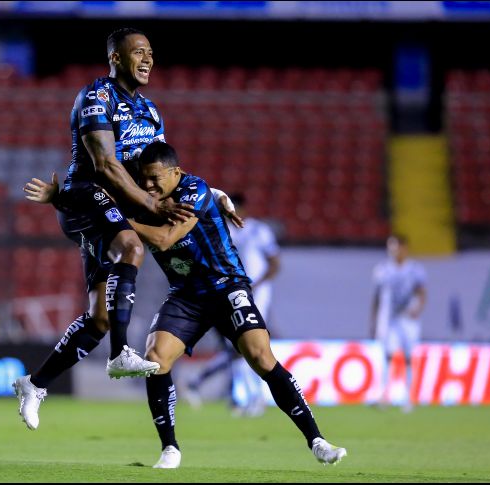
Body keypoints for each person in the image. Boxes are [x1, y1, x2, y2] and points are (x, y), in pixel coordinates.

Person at [11, 27, 200, 431]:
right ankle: (120, 354)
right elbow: (105, 166)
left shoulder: (151, 112)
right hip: (85, 196)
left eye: (151, 52)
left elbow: (160, 172)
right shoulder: (97, 96)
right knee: (131, 247)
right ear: (116, 57)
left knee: (97, 318)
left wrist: (207, 195)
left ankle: (34, 384)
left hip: (114, 211)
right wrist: (151, 204)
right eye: (138, 52)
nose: (148, 59)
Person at [127, 142, 346, 469]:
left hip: (226, 286)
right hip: (186, 294)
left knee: (260, 357)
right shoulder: (145, 197)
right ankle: (169, 449)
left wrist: (118, 221)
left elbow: (164, 239)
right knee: (156, 359)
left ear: (176, 172)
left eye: (155, 178)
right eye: (143, 179)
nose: (148, 185)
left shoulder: (194, 190)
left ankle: (317, 440)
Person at [185, 193, 281, 416]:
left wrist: (256, 285)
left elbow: (275, 263)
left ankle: (247, 397)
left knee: (251, 347)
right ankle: (245, 398)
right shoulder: (219, 232)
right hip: (228, 293)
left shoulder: (258, 231)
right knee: (236, 348)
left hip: (256, 296)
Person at [371, 234, 426, 413]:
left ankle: (408, 398)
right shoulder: (382, 270)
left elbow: (421, 292)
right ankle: (383, 396)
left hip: (407, 320)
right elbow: (377, 297)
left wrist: (417, 309)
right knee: (388, 356)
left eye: (396, 247)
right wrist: (373, 320)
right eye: (390, 247)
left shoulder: (415, 270)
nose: (393, 251)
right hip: (388, 319)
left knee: (409, 358)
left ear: (404, 248)